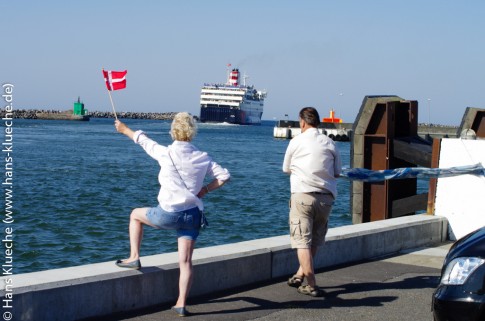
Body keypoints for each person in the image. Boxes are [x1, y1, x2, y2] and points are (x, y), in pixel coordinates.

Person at [114, 112, 230, 317]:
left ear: (172, 131)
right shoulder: (202, 157)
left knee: (134, 215)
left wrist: (124, 129)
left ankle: (134, 257)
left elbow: (144, 141)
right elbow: (224, 176)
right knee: (185, 262)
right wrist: (205, 190)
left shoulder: (165, 153)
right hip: (192, 216)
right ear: (193, 132)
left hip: (168, 214)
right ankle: (181, 303)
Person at [282, 107, 342, 297]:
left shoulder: (296, 141)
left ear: (302, 122)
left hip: (303, 196)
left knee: (302, 242)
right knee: (314, 239)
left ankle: (312, 284)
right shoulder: (330, 143)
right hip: (326, 199)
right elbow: (338, 173)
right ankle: (300, 275)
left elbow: (286, 168)